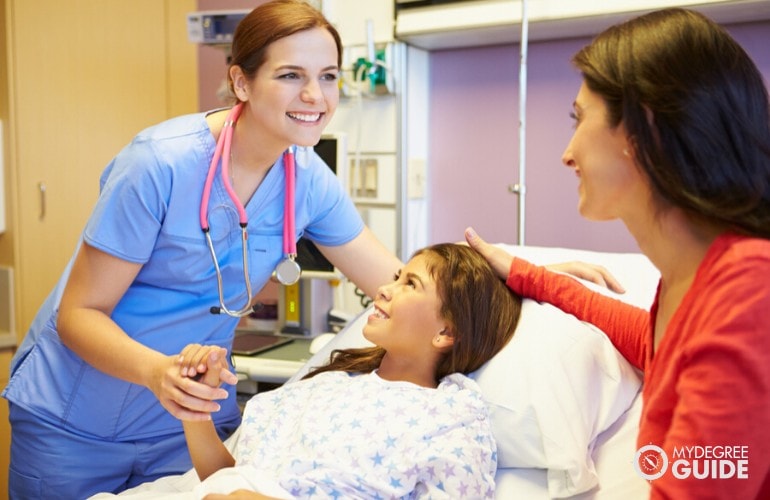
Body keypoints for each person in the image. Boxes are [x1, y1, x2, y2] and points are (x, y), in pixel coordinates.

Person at [2, 1, 402, 498]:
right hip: (76, 422)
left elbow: (396, 285)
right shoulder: (159, 164)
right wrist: (156, 372)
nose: (313, 95)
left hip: (187, 426)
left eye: (328, 76)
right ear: (241, 83)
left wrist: (511, 280)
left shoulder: (309, 182)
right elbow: (79, 314)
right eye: (289, 75)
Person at [466, 7, 770, 499]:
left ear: (642, 128)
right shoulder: (690, 284)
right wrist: (526, 273)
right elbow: (644, 338)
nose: (567, 153)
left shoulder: (748, 293)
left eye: (579, 119)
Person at [111, 243, 523, 499]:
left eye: (410, 284)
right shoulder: (327, 385)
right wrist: (196, 411)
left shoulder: (450, 418)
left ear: (445, 332)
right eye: (397, 277)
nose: (384, 288)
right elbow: (227, 478)